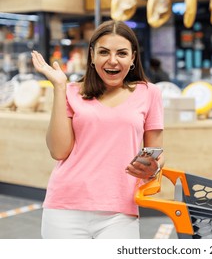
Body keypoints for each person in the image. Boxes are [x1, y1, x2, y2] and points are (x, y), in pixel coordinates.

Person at [30, 20, 164, 239]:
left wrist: (154, 167)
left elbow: (157, 151)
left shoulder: (150, 93)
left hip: (120, 210)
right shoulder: (72, 92)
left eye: (121, 53)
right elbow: (59, 151)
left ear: (132, 58)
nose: (112, 60)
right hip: (65, 207)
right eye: (104, 52)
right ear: (92, 56)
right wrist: (60, 88)